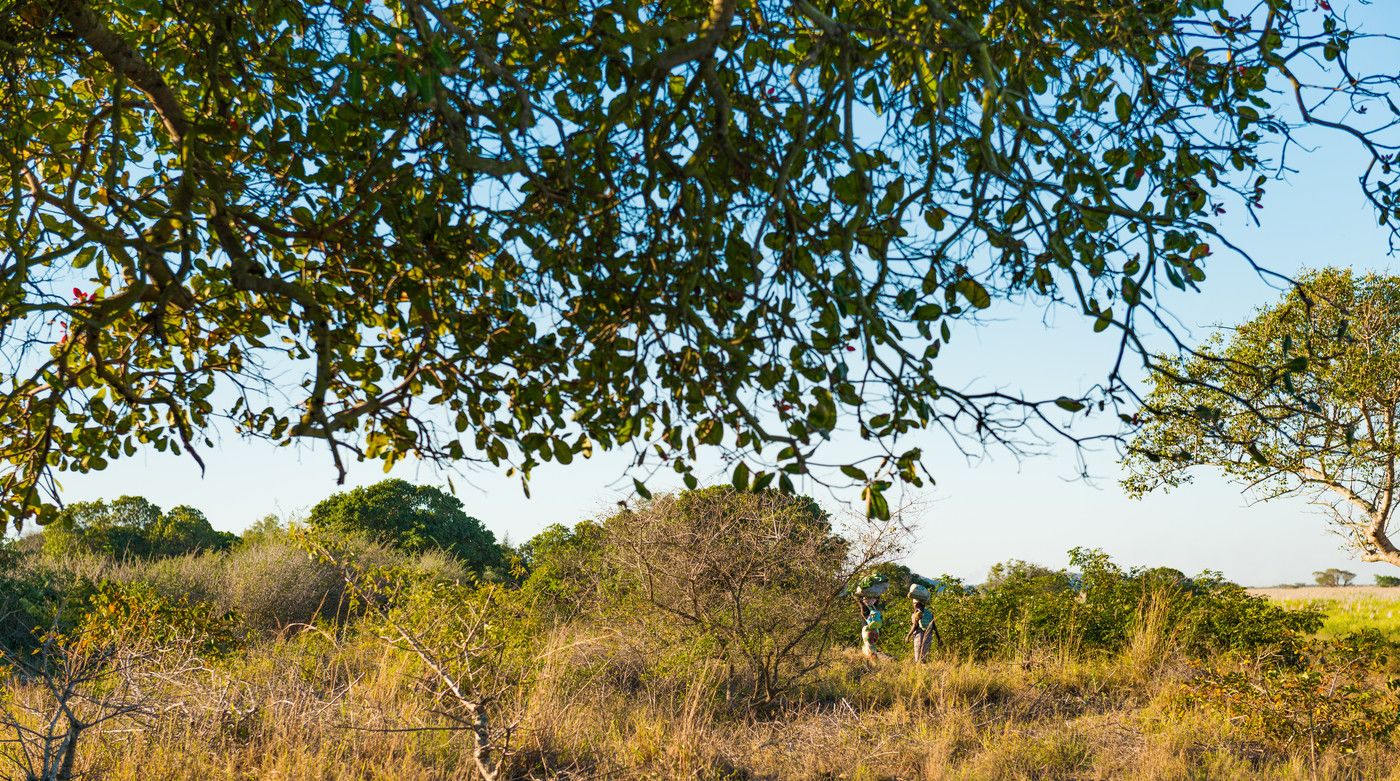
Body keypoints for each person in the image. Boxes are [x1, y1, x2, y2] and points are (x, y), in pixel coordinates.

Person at [906, 597, 940, 664]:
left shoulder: (918, 613)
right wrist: (939, 638)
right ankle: (923, 670)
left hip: (920, 635)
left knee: (918, 656)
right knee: (925, 655)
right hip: (928, 635)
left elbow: (915, 626)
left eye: (914, 603)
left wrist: (908, 636)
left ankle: (919, 671)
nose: (913, 605)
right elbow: (934, 626)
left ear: (917, 604)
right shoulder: (929, 613)